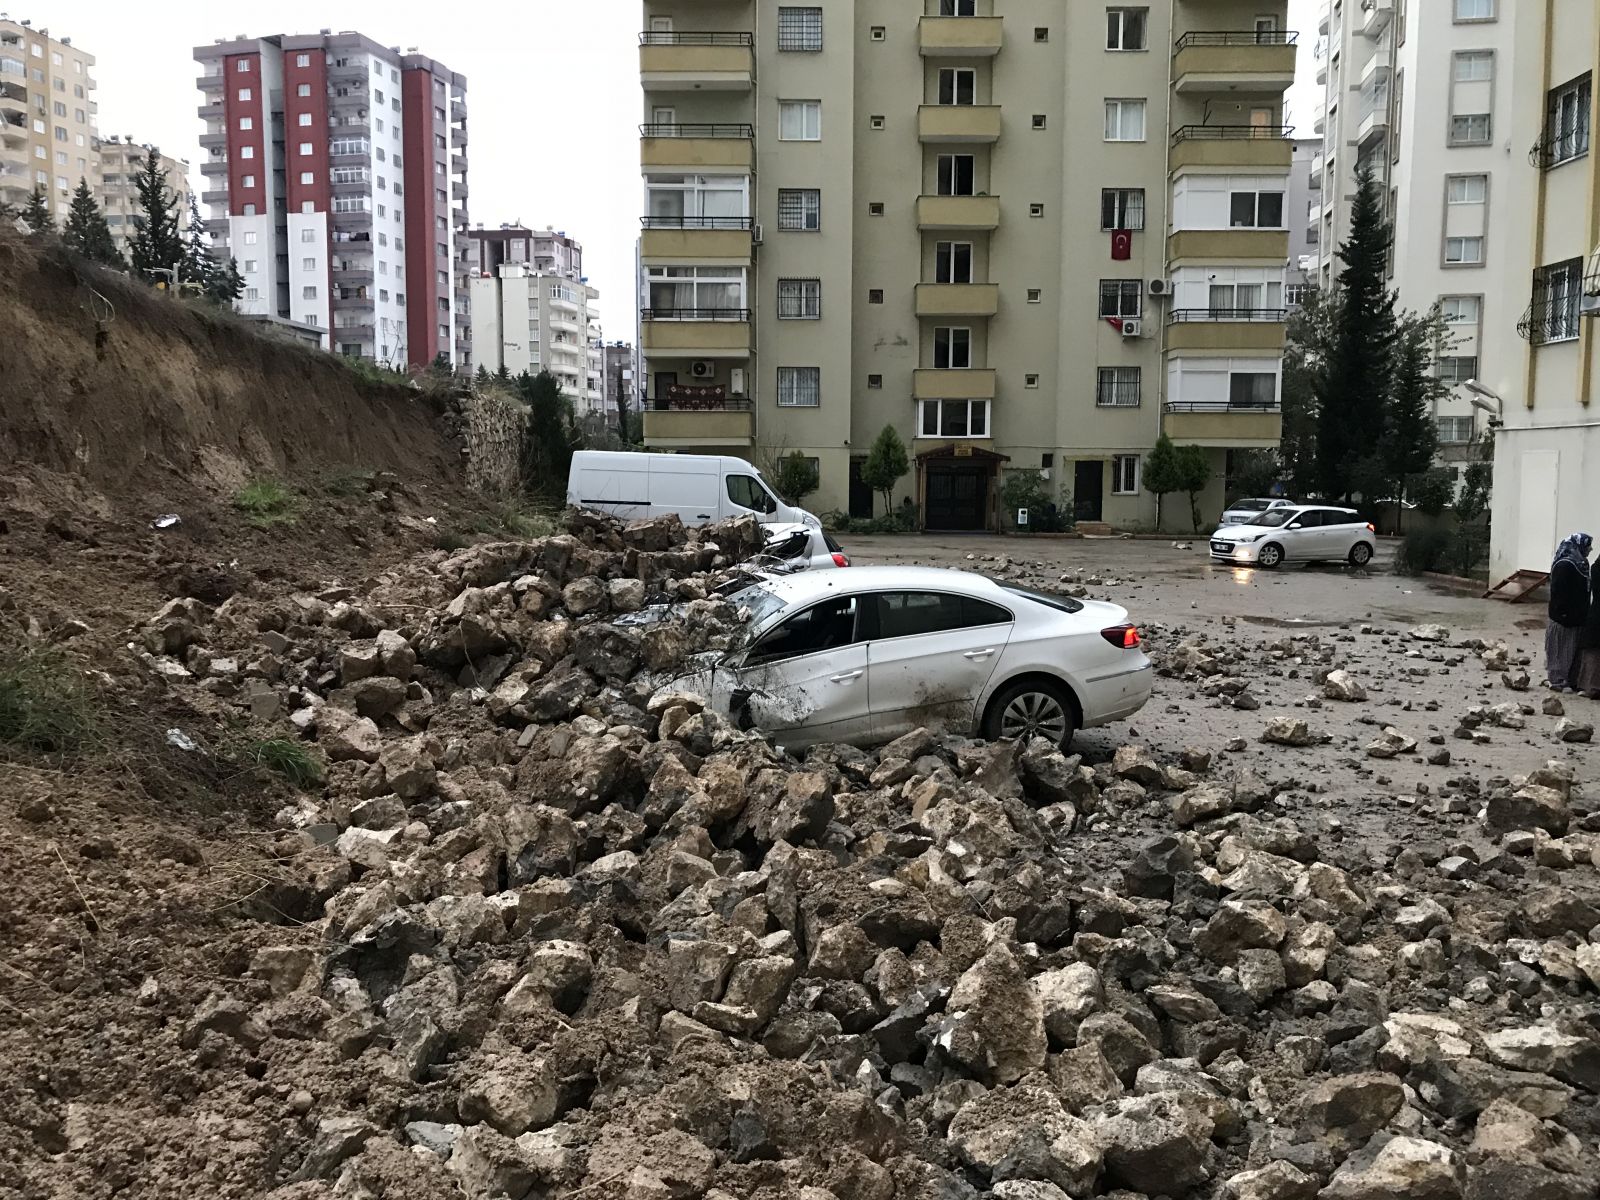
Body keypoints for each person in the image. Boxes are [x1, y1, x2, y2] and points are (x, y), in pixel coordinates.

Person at [1546, 532, 1592, 691]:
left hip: (1578, 617)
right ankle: (1557, 681)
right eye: (1587, 546)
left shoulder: (1581, 563)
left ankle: (1571, 680)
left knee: (1573, 650)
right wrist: (1563, 613)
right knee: (1560, 649)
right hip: (1563, 618)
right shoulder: (1564, 565)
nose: (1590, 549)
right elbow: (1559, 592)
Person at [1576, 548, 1600, 699]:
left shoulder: (1595, 566)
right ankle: (1592, 686)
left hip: (1595, 612)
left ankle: (1589, 685)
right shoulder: (1596, 568)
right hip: (1597, 615)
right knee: (1593, 651)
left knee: (1591, 651)